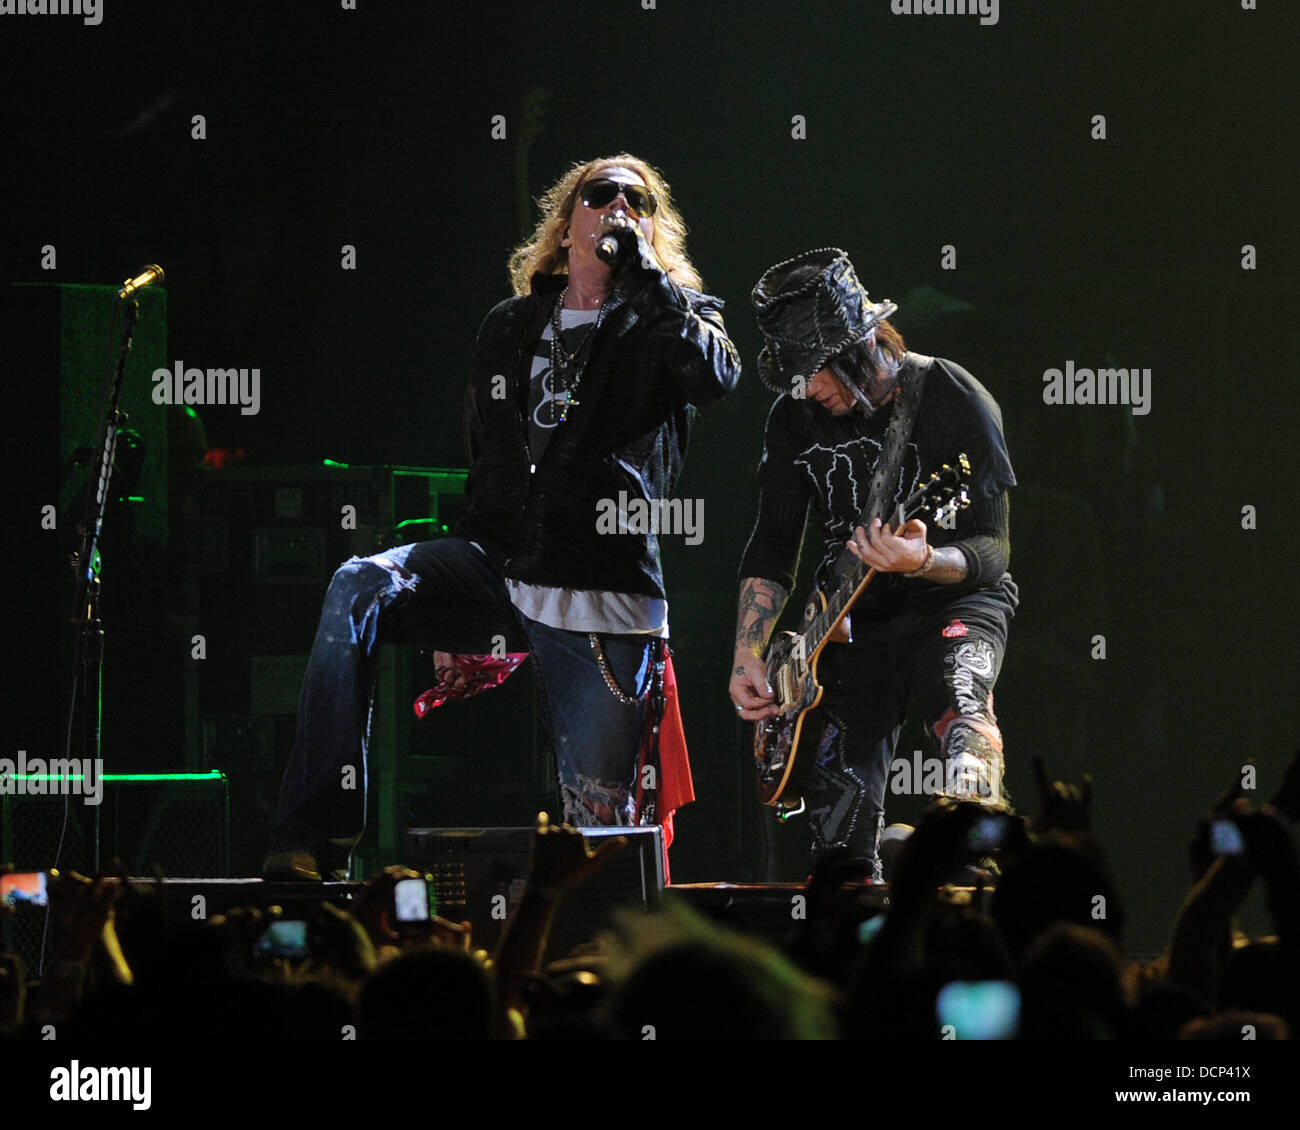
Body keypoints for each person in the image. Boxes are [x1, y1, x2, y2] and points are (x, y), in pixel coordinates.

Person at [265, 154, 740, 880]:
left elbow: (715, 379)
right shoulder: (511, 324)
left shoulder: (675, 318)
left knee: (605, 834)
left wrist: (648, 281)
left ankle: (600, 962)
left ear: (653, 225)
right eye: (600, 193)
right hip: (497, 560)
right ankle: (315, 836)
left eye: (637, 199)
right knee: (358, 585)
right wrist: (456, 610)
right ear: (566, 221)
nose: (618, 206)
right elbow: (484, 453)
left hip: (600, 586)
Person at [729, 248, 1016, 878]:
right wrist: (750, 650)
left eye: (813, 369)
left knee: (961, 703)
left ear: (856, 348)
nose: (806, 388)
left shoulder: (952, 397)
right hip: (848, 618)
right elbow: (774, 543)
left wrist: (924, 558)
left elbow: (994, 553)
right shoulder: (793, 418)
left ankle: (973, 851)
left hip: (953, 600)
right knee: (839, 848)